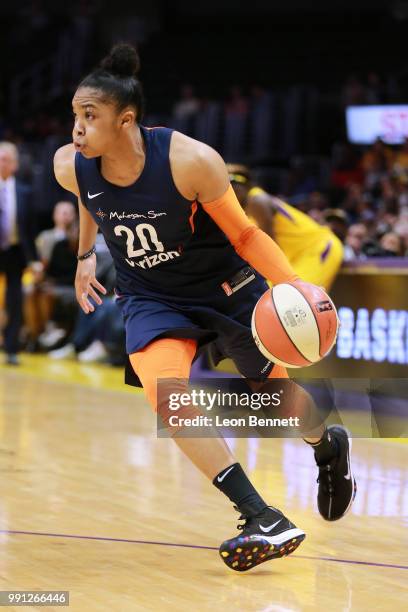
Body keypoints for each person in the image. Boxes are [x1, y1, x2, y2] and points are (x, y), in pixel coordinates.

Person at [53, 44, 356, 572]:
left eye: (89, 116)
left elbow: (244, 233)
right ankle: (259, 514)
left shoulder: (191, 161)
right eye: (74, 116)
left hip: (224, 286)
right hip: (151, 295)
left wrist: (293, 288)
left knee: (277, 400)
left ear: (126, 120)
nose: (76, 128)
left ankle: (327, 445)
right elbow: (87, 193)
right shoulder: (69, 164)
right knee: (166, 396)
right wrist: (84, 255)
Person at [228, 165, 343, 290]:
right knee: (276, 296)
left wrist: (239, 281)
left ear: (247, 185)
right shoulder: (244, 209)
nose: (231, 190)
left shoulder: (257, 200)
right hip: (295, 257)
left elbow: (267, 249)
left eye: (234, 184)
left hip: (319, 247)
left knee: (297, 297)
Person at [0, 141, 41, 365]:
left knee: (14, 300)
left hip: (15, 251)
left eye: (5, 159)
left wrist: (34, 260)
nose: (1, 163)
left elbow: (30, 229)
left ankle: (11, 348)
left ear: (14, 164)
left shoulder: (25, 192)